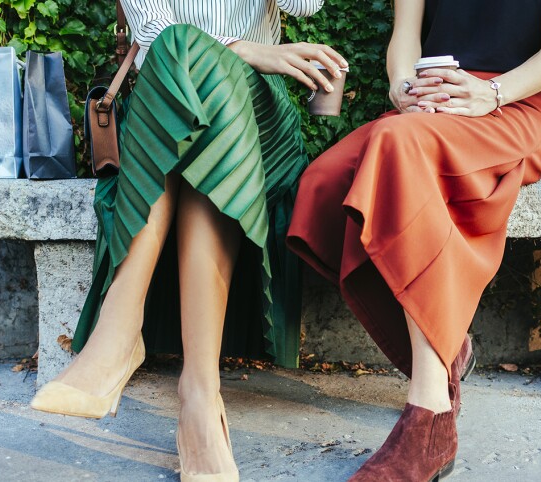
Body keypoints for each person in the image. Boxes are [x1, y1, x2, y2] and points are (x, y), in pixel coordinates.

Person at [29, 1, 346, 480]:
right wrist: (244, 48)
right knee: (180, 47)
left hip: (256, 113)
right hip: (165, 106)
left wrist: (246, 56)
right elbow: (154, 35)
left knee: (201, 77)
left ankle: (120, 332)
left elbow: (308, 4)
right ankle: (200, 397)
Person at [287, 0, 541, 479]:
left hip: (510, 110)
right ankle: (450, 346)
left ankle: (430, 417)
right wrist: (403, 87)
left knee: (397, 146)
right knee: (324, 181)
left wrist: (491, 93)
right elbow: (405, 36)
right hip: (429, 108)